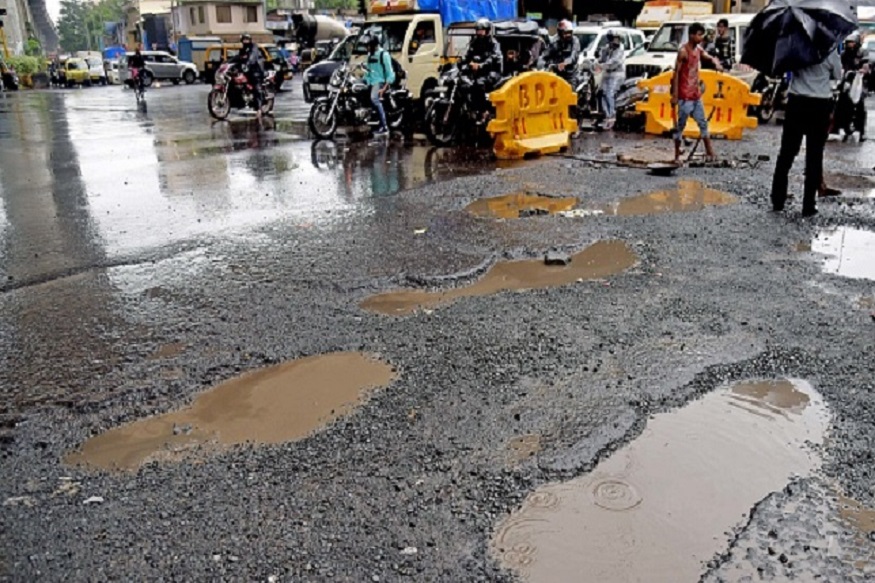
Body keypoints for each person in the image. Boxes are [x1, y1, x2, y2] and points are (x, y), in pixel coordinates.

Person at [771, 48, 842, 217]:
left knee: (786, 153)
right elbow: (838, 75)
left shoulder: (796, 48)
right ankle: (808, 205)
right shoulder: (829, 51)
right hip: (820, 105)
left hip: (796, 103)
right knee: (814, 156)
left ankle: (777, 199)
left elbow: (786, 69)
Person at [671, 22, 724, 163]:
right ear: (691, 35)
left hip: (695, 94)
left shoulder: (698, 50)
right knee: (680, 127)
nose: (701, 38)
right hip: (684, 96)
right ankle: (676, 155)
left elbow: (707, 56)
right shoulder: (683, 52)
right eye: (699, 35)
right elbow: (675, 74)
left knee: (703, 124)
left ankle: (710, 152)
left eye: (702, 35)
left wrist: (715, 62)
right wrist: (675, 95)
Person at [463, 17, 503, 120]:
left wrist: (480, 65)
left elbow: (494, 58)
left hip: (492, 71)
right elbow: (468, 54)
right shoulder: (475, 42)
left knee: (479, 83)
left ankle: (483, 111)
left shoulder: (494, 44)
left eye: (481, 30)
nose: (479, 33)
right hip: (478, 72)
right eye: (477, 30)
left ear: (487, 31)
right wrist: (462, 62)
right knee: (464, 82)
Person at [363, 35, 395, 137]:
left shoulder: (383, 55)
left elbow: (390, 73)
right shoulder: (369, 55)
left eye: (368, 46)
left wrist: (384, 88)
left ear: (374, 45)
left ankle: (384, 127)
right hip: (370, 81)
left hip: (380, 82)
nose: (367, 48)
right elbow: (367, 71)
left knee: (374, 98)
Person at [838, 31, 868, 141]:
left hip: (859, 82)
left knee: (860, 107)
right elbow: (840, 66)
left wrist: (864, 69)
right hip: (846, 82)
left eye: (852, 42)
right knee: (844, 105)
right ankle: (844, 126)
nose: (850, 44)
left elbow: (867, 63)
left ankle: (860, 130)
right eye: (848, 42)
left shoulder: (862, 53)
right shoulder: (844, 54)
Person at [598, 31, 625, 130]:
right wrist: (596, 62)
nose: (616, 41)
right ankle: (606, 114)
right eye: (614, 38)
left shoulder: (620, 49)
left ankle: (612, 115)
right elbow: (601, 58)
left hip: (617, 74)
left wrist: (603, 65)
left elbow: (615, 61)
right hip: (607, 73)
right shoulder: (607, 48)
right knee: (602, 92)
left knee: (609, 93)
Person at [234, 33, 265, 118]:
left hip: (256, 70)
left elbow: (252, 57)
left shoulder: (254, 47)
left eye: (247, 39)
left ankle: (259, 108)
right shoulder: (243, 49)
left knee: (256, 87)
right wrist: (227, 62)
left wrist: (248, 64)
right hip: (247, 70)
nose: (245, 41)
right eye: (244, 39)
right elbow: (238, 57)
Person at [540, 19, 580, 83]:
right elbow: (545, 55)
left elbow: (574, 55)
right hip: (556, 74)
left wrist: (565, 63)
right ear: (560, 33)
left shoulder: (574, 41)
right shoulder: (555, 42)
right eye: (565, 33)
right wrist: (540, 63)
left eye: (570, 32)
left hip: (571, 74)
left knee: (570, 90)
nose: (568, 35)